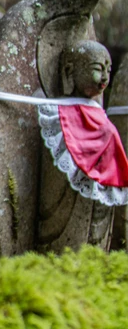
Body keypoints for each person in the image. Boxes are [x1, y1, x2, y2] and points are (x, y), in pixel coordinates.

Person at [37, 39, 119, 252]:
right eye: (97, 69)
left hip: (93, 210)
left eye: (108, 71)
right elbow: (53, 178)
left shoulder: (102, 118)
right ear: (68, 72)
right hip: (63, 214)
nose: (105, 78)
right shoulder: (55, 118)